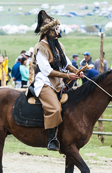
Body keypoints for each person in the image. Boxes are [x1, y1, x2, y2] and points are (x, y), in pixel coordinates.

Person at [30, 10, 83, 151]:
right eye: (56, 29)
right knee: (55, 109)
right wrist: (67, 76)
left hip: (58, 82)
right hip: (45, 83)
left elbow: (66, 64)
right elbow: (47, 71)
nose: (58, 31)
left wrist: (77, 72)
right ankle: (51, 139)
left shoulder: (58, 45)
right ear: (49, 31)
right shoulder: (40, 47)